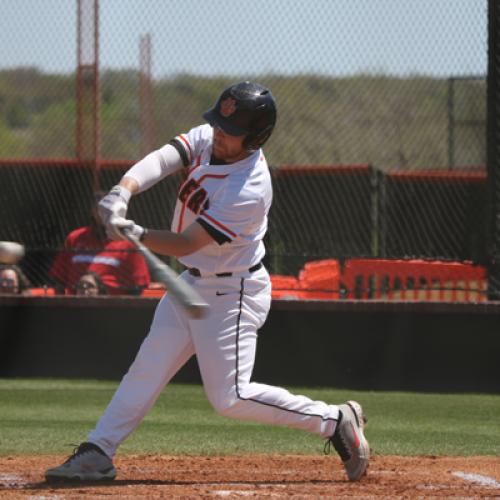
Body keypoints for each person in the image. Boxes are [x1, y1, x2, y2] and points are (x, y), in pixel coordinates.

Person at [45, 81, 369, 483]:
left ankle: (334, 420)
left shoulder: (249, 188)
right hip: (191, 285)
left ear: (256, 138)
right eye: (218, 123)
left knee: (231, 398)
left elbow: (184, 244)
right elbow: (163, 159)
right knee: (146, 369)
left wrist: (135, 233)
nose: (219, 133)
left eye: (230, 131)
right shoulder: (212, 136)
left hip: (231, 293)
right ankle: (98, 451)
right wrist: (121, 191)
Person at [48, 194, 150, 296]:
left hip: (111, 307)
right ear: (93, 210)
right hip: (76, 305)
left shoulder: (127, 243)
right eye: (100, 209)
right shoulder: (75, 238)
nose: (104, 214)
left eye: (109, 209)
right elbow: (58, 278)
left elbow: (138, 285)